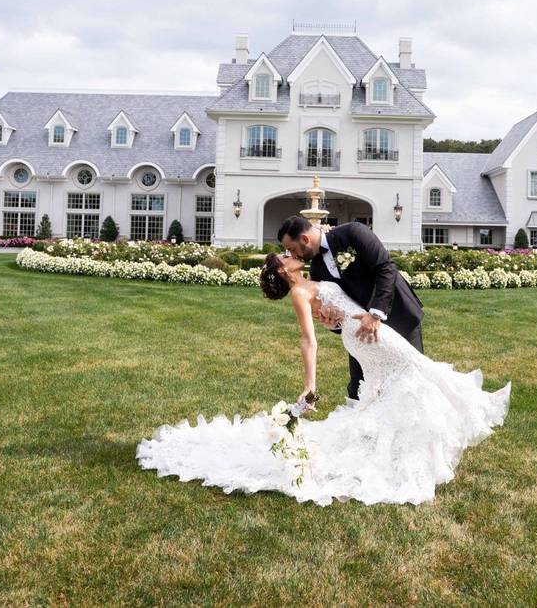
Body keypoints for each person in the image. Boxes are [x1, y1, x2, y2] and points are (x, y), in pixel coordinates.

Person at [135, 251, 510, 505]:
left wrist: (334, 314)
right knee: (414, 374)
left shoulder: (313, 278)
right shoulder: (299, 292)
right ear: (283, 271)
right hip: (366, 337)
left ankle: (410, 448)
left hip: (365, 330)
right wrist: (310, 385)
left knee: (404, 383)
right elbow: (307, 340)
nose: (289, 254)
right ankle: (440, 432)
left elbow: (332, 310)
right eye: (284, 256)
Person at [278, 216, 424, 406]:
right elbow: (340, 309)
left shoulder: (353, 232)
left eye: (292, 249)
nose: (292, 254)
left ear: (305, 239)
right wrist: (333, 324)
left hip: (397, 313)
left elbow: (385, 268)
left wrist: (375, 314)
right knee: (359, 392)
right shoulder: (316, 268)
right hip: (361, 334)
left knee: (414, 381)